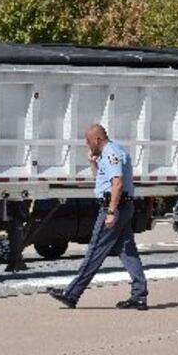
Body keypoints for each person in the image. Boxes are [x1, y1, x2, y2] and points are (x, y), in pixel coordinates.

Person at [48, 124, 148, 310]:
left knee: (95, 251)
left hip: (114, 207)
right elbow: (103, 180)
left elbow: (117, 183)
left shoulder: (110, 153)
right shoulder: (112, 152)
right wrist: (93, 163)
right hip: (123, 206)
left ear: (97, 139)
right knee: (128, 252)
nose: (87, 145)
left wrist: (111, 212)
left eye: (88, 141)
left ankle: (72, 294)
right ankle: (139, 296)